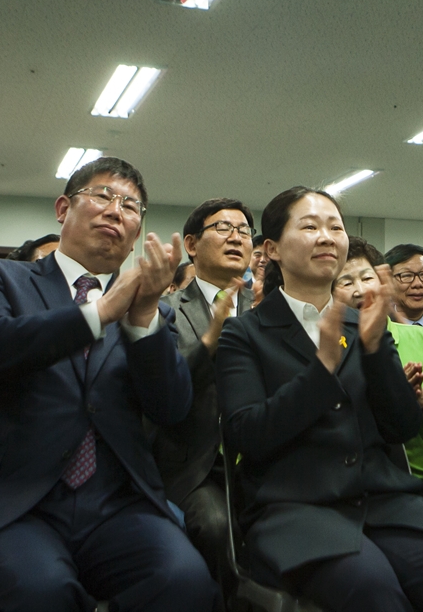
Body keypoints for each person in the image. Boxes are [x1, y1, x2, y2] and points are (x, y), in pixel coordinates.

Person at [0, 156, 217, 612]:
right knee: (37, 592)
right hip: (13, 501)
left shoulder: (152, 310)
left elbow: (171, 409)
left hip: (116, 505)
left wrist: (142, 319)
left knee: (184, 580)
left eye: (131, 206)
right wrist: (100, 314)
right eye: (103, 196)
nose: (116, 211)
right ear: (63, 208)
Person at [216, 187, 423, 612]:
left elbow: (400, 427)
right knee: (371, 591)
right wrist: (323, 367)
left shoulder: (364, 322)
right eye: (309, 226)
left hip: (383, 501)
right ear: (270, 248)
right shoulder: (245, 333)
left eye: (336, 227)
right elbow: (246, 435)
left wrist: (378, 347)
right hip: (295, 508)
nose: (327, 237)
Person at [157, 198, 257, 597]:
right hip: (195, 461)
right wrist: (210, 339)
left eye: (244, 231)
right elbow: (163, 384)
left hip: (263, 456)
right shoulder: (164, 310)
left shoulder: (268, 310)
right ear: (192, 244)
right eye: (223, 228)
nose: (235, 237)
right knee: (217, 529)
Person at [335, 238, 423, 527]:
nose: (359, 290)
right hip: (361, 486)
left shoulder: (421, 338)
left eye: (366, 278)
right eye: (346, 282)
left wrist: (421, 400)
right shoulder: (330, 347)